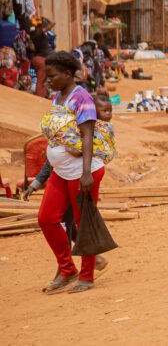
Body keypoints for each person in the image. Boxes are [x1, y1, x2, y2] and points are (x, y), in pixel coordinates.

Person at [35, 52, 110, 294]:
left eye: (52, 75)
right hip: (61, 170)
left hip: (82, 172)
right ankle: (67, 269)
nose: (47, 79)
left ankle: (87, 276)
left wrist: (86, 172)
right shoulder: (58, 97)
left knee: (83, 222)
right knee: (47, 218)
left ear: (68, 74)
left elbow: (87, 135)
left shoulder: (82, 98)